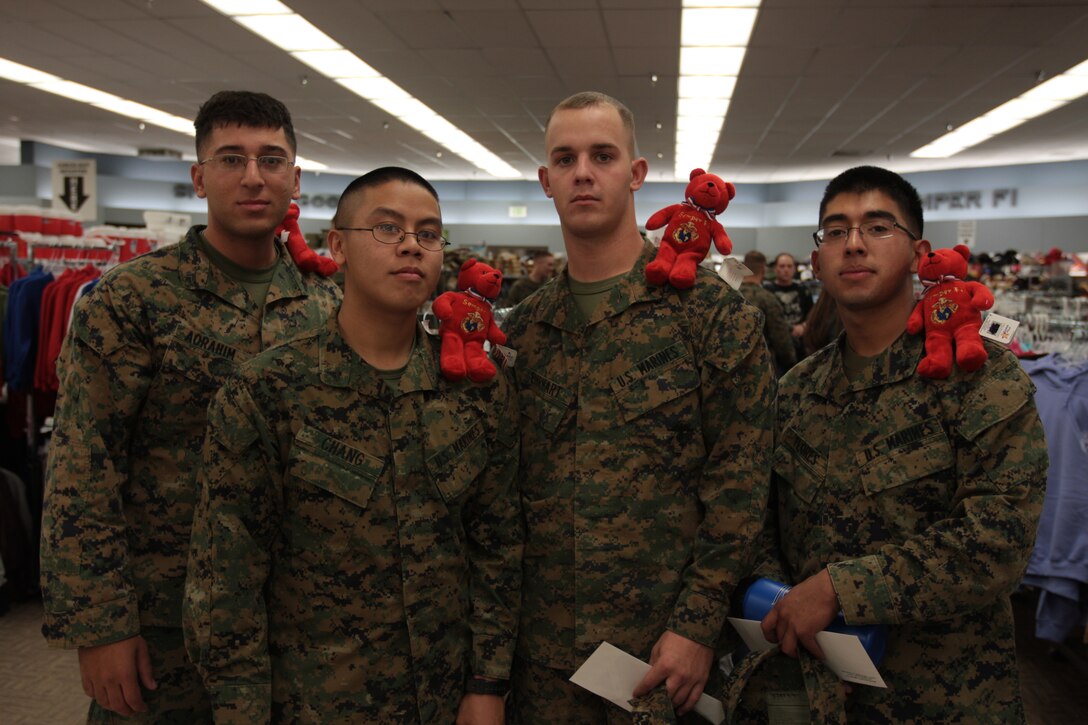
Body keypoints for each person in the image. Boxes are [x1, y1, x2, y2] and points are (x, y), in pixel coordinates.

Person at [39, 90, 341, 722]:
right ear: (199, 177)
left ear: (296, 177)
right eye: (231, 159)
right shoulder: (131, 299)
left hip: (298, 620)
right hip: (167, 623)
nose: (253, 177)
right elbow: (81, 470)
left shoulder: (327, 303)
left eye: (271, 159)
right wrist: (99, 627)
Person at [183, 167, 523, 724]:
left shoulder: (477, 391)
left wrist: (487, 683)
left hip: (443, 697)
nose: (412, 246)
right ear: (337, 246)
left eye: (429, 234)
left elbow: (498, 546)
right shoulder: (270, 391)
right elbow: (228, 574)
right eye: (387, 229)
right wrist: (240, 709)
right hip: (314, 702)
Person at [503, 91, 775, 722]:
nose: (583, 173)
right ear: (546, 181)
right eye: (565, 159)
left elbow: (740, 486)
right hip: (540, 661)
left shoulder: (712, 316)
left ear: (636, 173)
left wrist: (697, 625)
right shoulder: (524, 331)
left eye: (602, 155)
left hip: (661, 655)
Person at [741, 165, 1047, 721]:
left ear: (919, 254)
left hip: (942, 697)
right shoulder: (798, 389)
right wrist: (781, 599)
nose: (853, 244)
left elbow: (998, 542)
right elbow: (763, 519)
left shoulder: (981, 379)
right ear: (816, 261)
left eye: (877, 227)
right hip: (813, 690)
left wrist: (840, 590)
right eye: (835, 231)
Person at [740, 250, 796, 376]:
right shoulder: (768, 299)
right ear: (763, 271)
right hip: (760, 371)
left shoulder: (728, 295)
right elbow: (781, 340)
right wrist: (792, 363)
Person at [764, 253, 813, 361]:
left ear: (794, 269)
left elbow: (813, 314)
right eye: (782, 266)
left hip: (800, 346)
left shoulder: (803, 290)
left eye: (789, 266)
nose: (786, 270)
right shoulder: (767, 291)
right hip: (775, 348)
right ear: (775, 268)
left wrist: (803, 327)